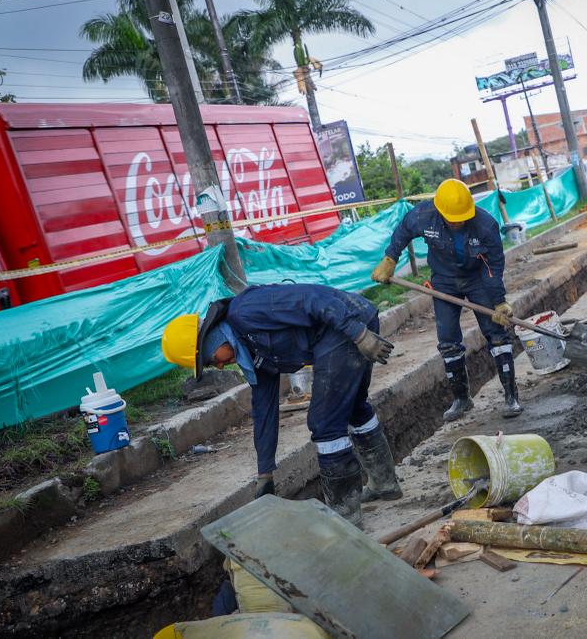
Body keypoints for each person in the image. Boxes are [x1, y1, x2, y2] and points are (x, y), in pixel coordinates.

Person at [160, 283, 400, 526]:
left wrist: (358, 333)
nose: (220, 366)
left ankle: (347, 517)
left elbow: (312, 298)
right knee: (353, 407)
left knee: (325, 423)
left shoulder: (245, 312)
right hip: (346, 326)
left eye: (212, 360)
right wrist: (264, 472)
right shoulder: (250, 352)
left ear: (211, 340)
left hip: (345, 325)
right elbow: (264, 410)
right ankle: (384, 484)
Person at [371, 178, 521, 422]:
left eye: (461, 217)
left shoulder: (485, 225)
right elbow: (403, 231)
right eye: (452, 217)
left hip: (477, 279)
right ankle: (462, 399)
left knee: (496, 333)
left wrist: (498, 301)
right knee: (448, 341)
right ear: (440, 210)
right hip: (444, 280)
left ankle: (511, 396)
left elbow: (493, 265)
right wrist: (390, 259)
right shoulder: (424, 215)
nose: (457, 221)